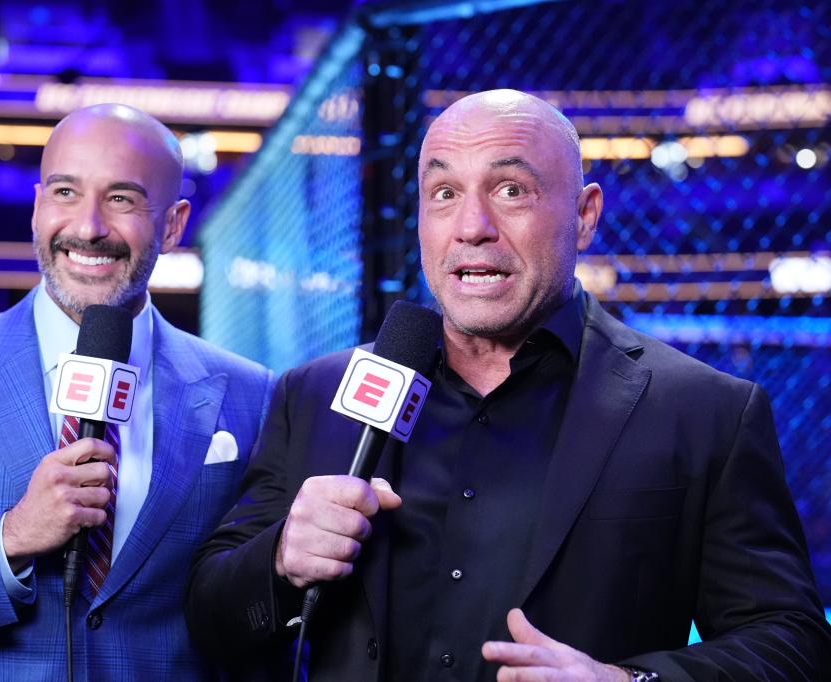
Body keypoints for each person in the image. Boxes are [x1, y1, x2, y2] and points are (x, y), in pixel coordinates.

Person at [185, 90, 831, 681]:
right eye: (443, 194)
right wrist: (280, 562)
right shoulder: (317, 393)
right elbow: (210, 617)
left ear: (584, 215)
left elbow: (789, 639)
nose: (472, 226)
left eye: (511, 190)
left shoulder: (703, 410)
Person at [0, 104, 273, 681]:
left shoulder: (250, 391)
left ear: (172, 223)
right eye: (65, 192)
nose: (87, 228)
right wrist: (11, 537)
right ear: (38, 208)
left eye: (121, 199)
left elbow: (255, 619)